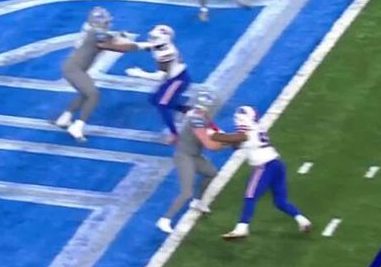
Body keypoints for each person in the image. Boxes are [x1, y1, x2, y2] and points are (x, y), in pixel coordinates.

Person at [210, 105, 312, 239]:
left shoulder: (247, 130)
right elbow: (236, 143)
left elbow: (237, 138)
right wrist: (218, 133)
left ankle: (242, 227)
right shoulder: (256, 128)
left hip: (264, 166)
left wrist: (213, 135)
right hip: (276, 163)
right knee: (280, 201)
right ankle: (303, 220)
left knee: (250, 195)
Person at [52, 7, 137, 142]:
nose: (108, 23)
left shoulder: (94, 32)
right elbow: (117, 46)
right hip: (74, 69)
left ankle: (65, 118)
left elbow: (112, 39)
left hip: (72, 67)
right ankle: (78, 126)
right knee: (93, 94)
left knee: (85, 93)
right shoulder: (97, 34)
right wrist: (143, 46)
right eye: (105, 21)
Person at [156, 90, 220, 234]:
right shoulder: (197, 120)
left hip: (194, 156)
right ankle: (165, 219)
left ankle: (197, 201)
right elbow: (209, 145)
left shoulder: (197, 118)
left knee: (211, 173)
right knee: (186, 192)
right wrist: (224, 143)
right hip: (184, 157)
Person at [112, 24, 191, 141]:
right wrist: (116, 43)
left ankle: (175, 135)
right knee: (154, 99)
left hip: (178, 80)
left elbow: (160, 76)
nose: (151, 39)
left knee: (162, 104)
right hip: (172, 79)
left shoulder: (166, 52)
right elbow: (137, 46)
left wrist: (139, 73)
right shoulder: (160, 46)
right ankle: (187, 109)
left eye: (155, 38)